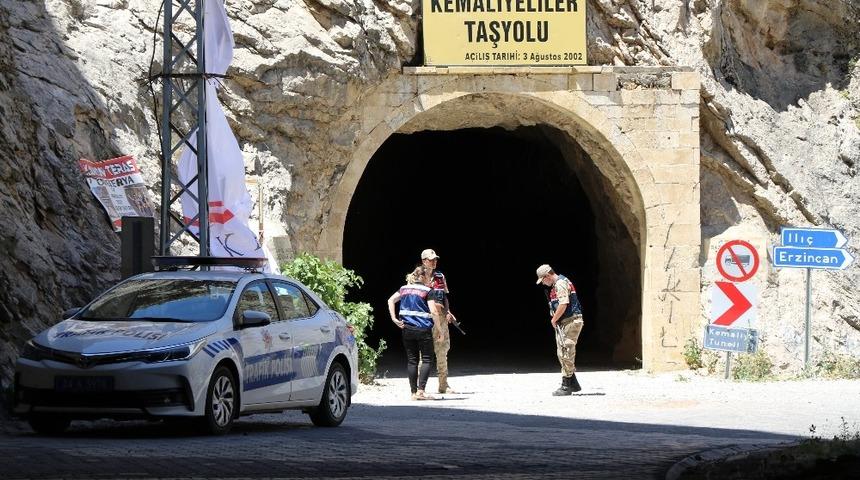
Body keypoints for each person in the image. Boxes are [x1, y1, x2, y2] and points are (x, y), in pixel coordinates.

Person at [388, 266, 442, 400]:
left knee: (412, 361)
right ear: (423, 277)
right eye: (428, 277)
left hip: (407, 329)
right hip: (423, 330)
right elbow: (434, 311)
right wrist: (440, 330)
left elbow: (390, 300)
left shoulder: (404, 289)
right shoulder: (427, 291)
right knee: (427, 359)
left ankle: (413, 393)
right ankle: (421, 392)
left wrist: (394, 319)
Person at [536, 264, 584, 396]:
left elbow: (563, 304)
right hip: (566, 322)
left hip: (570, 321)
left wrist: (553, 319)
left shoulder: (560, 283)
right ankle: (573, 383)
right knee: (563, 351)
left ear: (547, 276)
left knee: (565, 351)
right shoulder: (557, 284)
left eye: (543, 280)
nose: (543, 283)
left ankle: (566, 386)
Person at [421, 248, 458, 394]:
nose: (434, 262)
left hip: (441, 319)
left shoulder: (440, 276)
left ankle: (443, 384)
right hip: (425, 320)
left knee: (443, 351)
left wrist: (448, 311)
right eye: (431, 259)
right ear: (424, 261)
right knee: (423, 354)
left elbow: (444, 296)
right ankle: (420, 387)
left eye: (435, 259)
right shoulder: (416, 276)